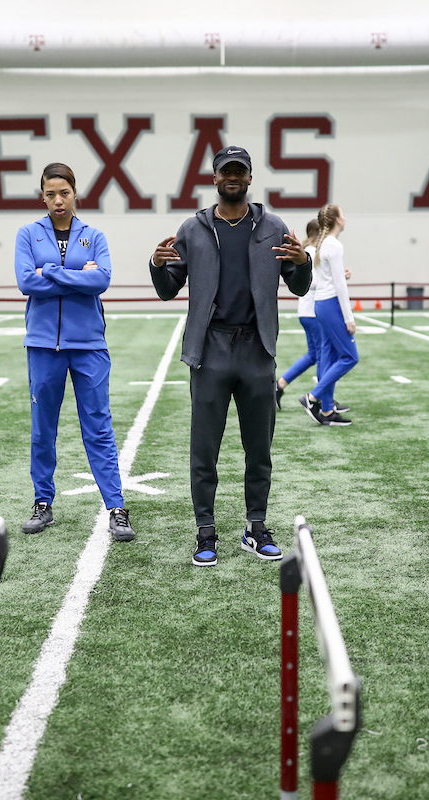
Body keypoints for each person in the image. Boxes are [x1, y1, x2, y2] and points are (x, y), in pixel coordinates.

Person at [150, 146, 312, 567]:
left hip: (258, 352)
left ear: (250, 178)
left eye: (240, 171)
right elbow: (169, 289)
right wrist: (156, 264)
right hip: (211, 351)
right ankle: (205, 532)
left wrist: (304, 261)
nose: (233, 178)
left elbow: (298, 286)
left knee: (259, 449)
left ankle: (256, 528)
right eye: (226, 171)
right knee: (205, 450)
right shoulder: (193, 228)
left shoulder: (273, 226)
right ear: (216, 178)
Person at [14, 162, 135, 542]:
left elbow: (102, 280)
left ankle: (116, 508)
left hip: (89, 347)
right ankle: (42, 504)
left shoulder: (93, 235)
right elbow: (24, 282)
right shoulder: (27, 234)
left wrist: (51, 272)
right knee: (42, 430)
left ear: (75, 194)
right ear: (43, 197)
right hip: (43, 346)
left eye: (63, 193)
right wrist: (77, 278)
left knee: (99, 428)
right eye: (50, 194)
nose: (57, 200)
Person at [298, 204, 357, 426]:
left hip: (321, 305)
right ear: (337, 220)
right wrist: (348, 318)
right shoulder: (334, 244)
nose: (345, 216)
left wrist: (341, 274)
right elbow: (339, 287)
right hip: (330, 304)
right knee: (350, 357)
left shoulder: (325, 244)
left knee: (329, 356)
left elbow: (330, 278)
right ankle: (313, 397)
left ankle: (326, 410)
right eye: (343, 213)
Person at [275, 220, 322, 410]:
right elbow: (313, 283)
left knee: (314, 355)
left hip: (308, 311)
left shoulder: (307, 250)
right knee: (323, 356)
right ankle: (321, 397)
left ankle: (280, 386)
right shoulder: (311, 252)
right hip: (312, 312)